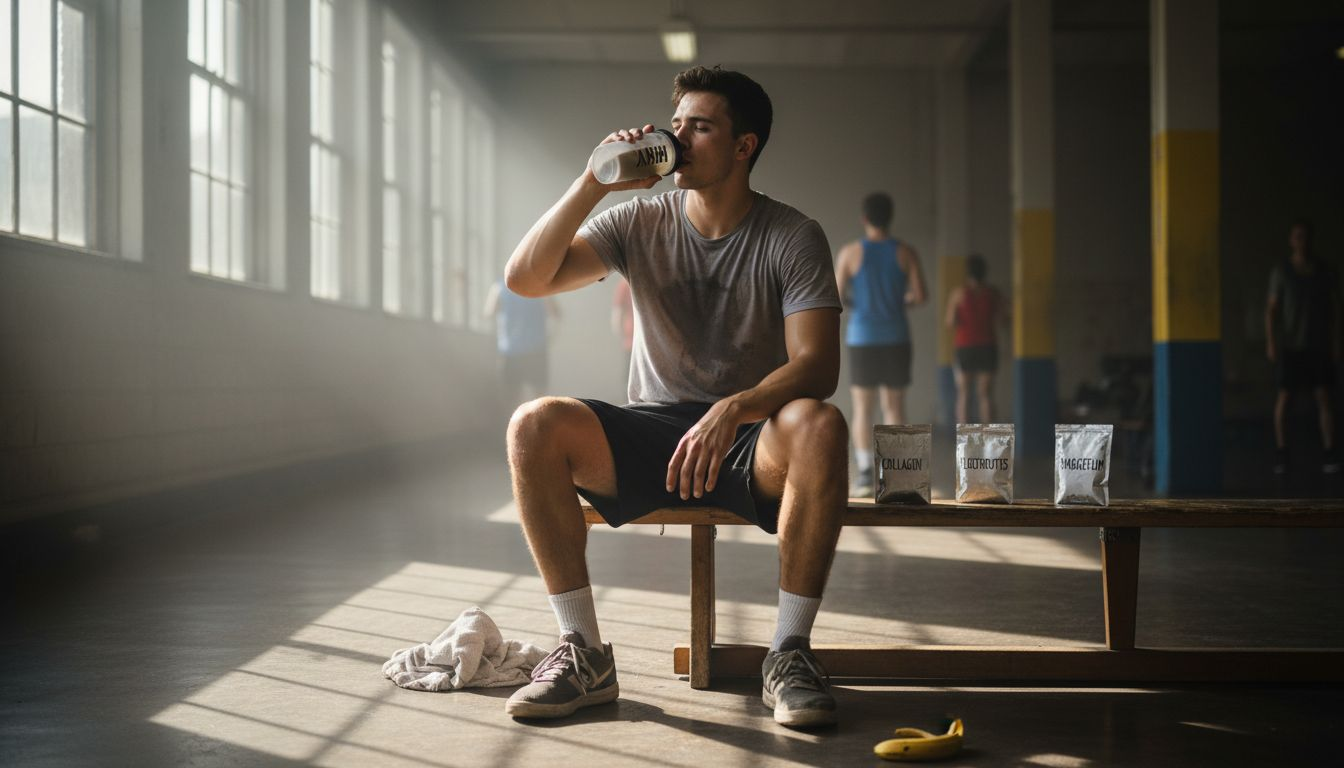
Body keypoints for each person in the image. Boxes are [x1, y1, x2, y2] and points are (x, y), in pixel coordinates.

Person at [501, 66, 847, 728]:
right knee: (533, 424)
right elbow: (525, 279)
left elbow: (818, 364)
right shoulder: (639, 220)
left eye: (701, 126)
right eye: (677, 122)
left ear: (744, 146)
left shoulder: (791, 234)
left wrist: (735, 408)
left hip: (751, 440)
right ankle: (584, 653)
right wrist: (592, 183)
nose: (678, 137)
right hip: (654, 431)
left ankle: (790, 653)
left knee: (820, 424)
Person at [834, 192, 926, 497]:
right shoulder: (905, 252)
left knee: (863, 407)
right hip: (896, 337)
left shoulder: (850, 253)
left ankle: (863, 475)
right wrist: (899, 300)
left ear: (864, 218)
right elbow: (920, 295)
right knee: (894, 406)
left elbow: (835, 296)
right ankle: (896, 476)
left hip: (862, 337)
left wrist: (858, 301)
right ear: (890, 217)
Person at [1266, 220, 1342, 474]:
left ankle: (1329, 452)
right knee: (1285, 398)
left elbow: (1334, 311)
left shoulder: (1323, 272)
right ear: (1291, 240)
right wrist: (1272, 342)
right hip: (1291, 345)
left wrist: (1335, 343)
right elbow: (1272, 311)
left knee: (1324, 397)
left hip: (1317, 345)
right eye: (1298, 237)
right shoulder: (1283, 272)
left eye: (1306, 237)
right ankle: (1281, 453)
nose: (1302, 241)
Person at [945, 253, 1008, 425]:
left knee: (963, 393)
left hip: (965, 346)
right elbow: (1004, 320)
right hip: (988, 345)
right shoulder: (994, 294)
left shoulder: (958, 293)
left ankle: (965, 440)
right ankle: (988, 439)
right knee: (985, 394)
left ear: (968, 272)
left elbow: (949, 322)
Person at [483, 280, 560, 414]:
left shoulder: (499, 288)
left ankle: (514, 430)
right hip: (536, 350)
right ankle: (539, 429)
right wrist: (551, 337)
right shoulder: (541, 287)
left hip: (510, 351)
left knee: (511, 399)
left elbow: (489, 313)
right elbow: (556, 313)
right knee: (540, 400)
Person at [611, 276, 635, 382]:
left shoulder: (624, 284)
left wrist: (620, 334)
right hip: (646, 338)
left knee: (630, 375)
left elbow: (617, 314)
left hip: (631, 337)